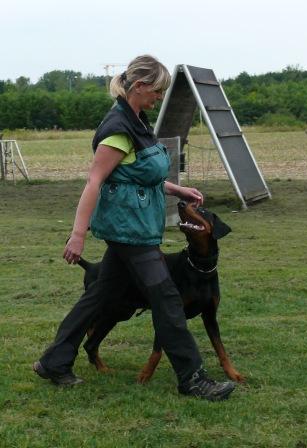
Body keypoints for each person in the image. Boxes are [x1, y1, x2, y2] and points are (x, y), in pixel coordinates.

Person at [33, 55, 235, 401]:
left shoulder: (137, 122)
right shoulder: (117, 129)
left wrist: (175, 189)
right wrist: (78, 235)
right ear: (139, 87)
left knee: (99, 295)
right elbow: (95, 181)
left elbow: (138, 174)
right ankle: (192, 378)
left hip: (137, 227)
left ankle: (54, 360)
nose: (159, 98)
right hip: (130, 231)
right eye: (156, 91)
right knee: (168, 298)